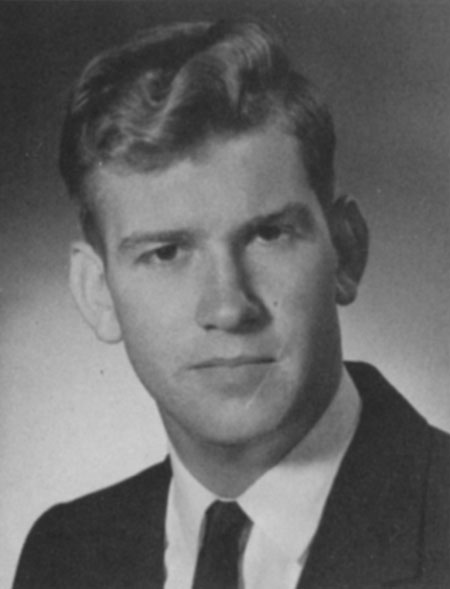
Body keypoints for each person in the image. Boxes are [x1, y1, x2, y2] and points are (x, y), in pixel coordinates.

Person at [13, 19, 450, 589]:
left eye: (268, 235)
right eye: (167, 253)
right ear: (98, 293)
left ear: (345, 252)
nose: (228, 307)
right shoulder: (64, 557)